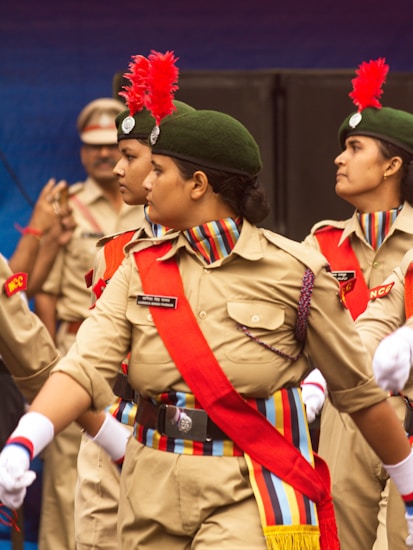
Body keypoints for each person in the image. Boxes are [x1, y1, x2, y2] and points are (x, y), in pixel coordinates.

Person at [2, 96, 413, 550]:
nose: (143, 181)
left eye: (157, 170)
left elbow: (357, 390)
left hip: (249, 486)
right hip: (151, 487)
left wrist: (408, 485)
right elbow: (84, 367)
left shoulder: (297, 271)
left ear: (198, 184)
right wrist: (24, 441)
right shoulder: (136, 267)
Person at [300, 58, 413, 549]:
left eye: (354, 148)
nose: (338, 159)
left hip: (408, 413)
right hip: (343, 418)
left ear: (392, 165)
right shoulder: (319, 243)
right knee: (338, 540)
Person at [75, 95, 195, 550]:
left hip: (186, 442)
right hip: (113, 429)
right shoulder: (113, 249)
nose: (118, 169)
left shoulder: (222, 251)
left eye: (130, 156)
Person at [33, 97, 143, 550]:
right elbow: (39, 288)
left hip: (141, 353)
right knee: (67, 476)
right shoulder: (67, 207)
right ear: (81, 152)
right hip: (80, 346)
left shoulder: (154, 200)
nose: (102, 154)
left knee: (139, 461)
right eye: (92, 147)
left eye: (110, 145)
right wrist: (57, 357)